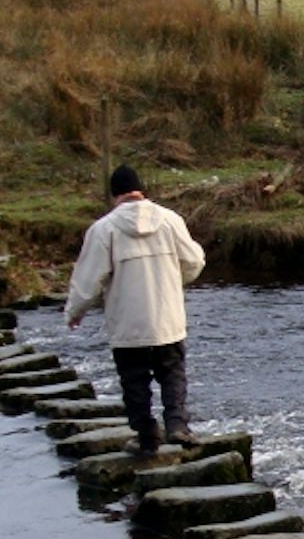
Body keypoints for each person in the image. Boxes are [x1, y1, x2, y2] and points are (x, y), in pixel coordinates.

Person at [65, 165, 206, 456]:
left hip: (129, 323)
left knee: (134, 380)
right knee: (172, 374)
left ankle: (146, 437)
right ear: (141, 190)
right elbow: (194, 261)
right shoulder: (170, 220)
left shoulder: (104, 229)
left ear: (114, 195)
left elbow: (88, 280)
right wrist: (172, 279)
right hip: (168, 319)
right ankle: (177, 426)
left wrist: (74, 312)